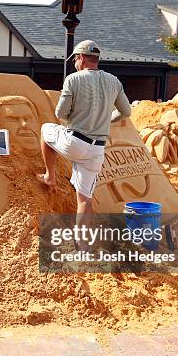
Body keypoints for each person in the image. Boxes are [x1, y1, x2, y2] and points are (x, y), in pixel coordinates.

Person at [38, 39, 131, 243]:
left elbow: (60, 113)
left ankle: (49, 176)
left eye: (75, 60)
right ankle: (82, 247)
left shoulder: (73, 79)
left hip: (75, 142)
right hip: (97, 150)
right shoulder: (114, 81)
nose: (74, 64)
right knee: (85, 200)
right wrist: (106, 119)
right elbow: (126, 111)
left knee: (45, 130)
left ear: (80, 58)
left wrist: (75, 116)